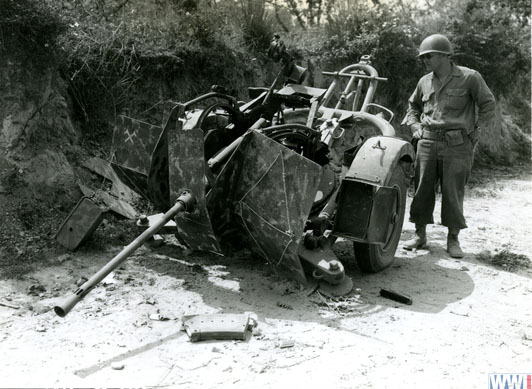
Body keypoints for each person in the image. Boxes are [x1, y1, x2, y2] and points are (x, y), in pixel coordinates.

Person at [402, 33, 497, 258]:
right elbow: (412, 108)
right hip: (427, 141)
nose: (424, 61)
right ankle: (420, 235)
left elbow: (488, 104)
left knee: (453, 192)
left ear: (445, 56)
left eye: (429, 56)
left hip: (457, 144)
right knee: (422, 189)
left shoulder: (469, 77)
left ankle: (453, 239)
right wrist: (415, 127)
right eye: (423, 57)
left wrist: (477, 131)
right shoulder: (424, 81)